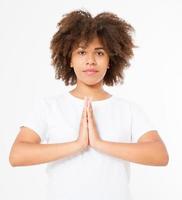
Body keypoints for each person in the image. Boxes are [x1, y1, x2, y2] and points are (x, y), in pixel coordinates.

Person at [9, 9, 169, 200]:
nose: (90, 61)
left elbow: (160, 155)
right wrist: (77, 145)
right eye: (82, 52)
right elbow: (17, 155)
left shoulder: (128, 109)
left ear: (110, 61)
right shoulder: (49, 107)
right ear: (70, 59)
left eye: (99, 53)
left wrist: (99, 144)